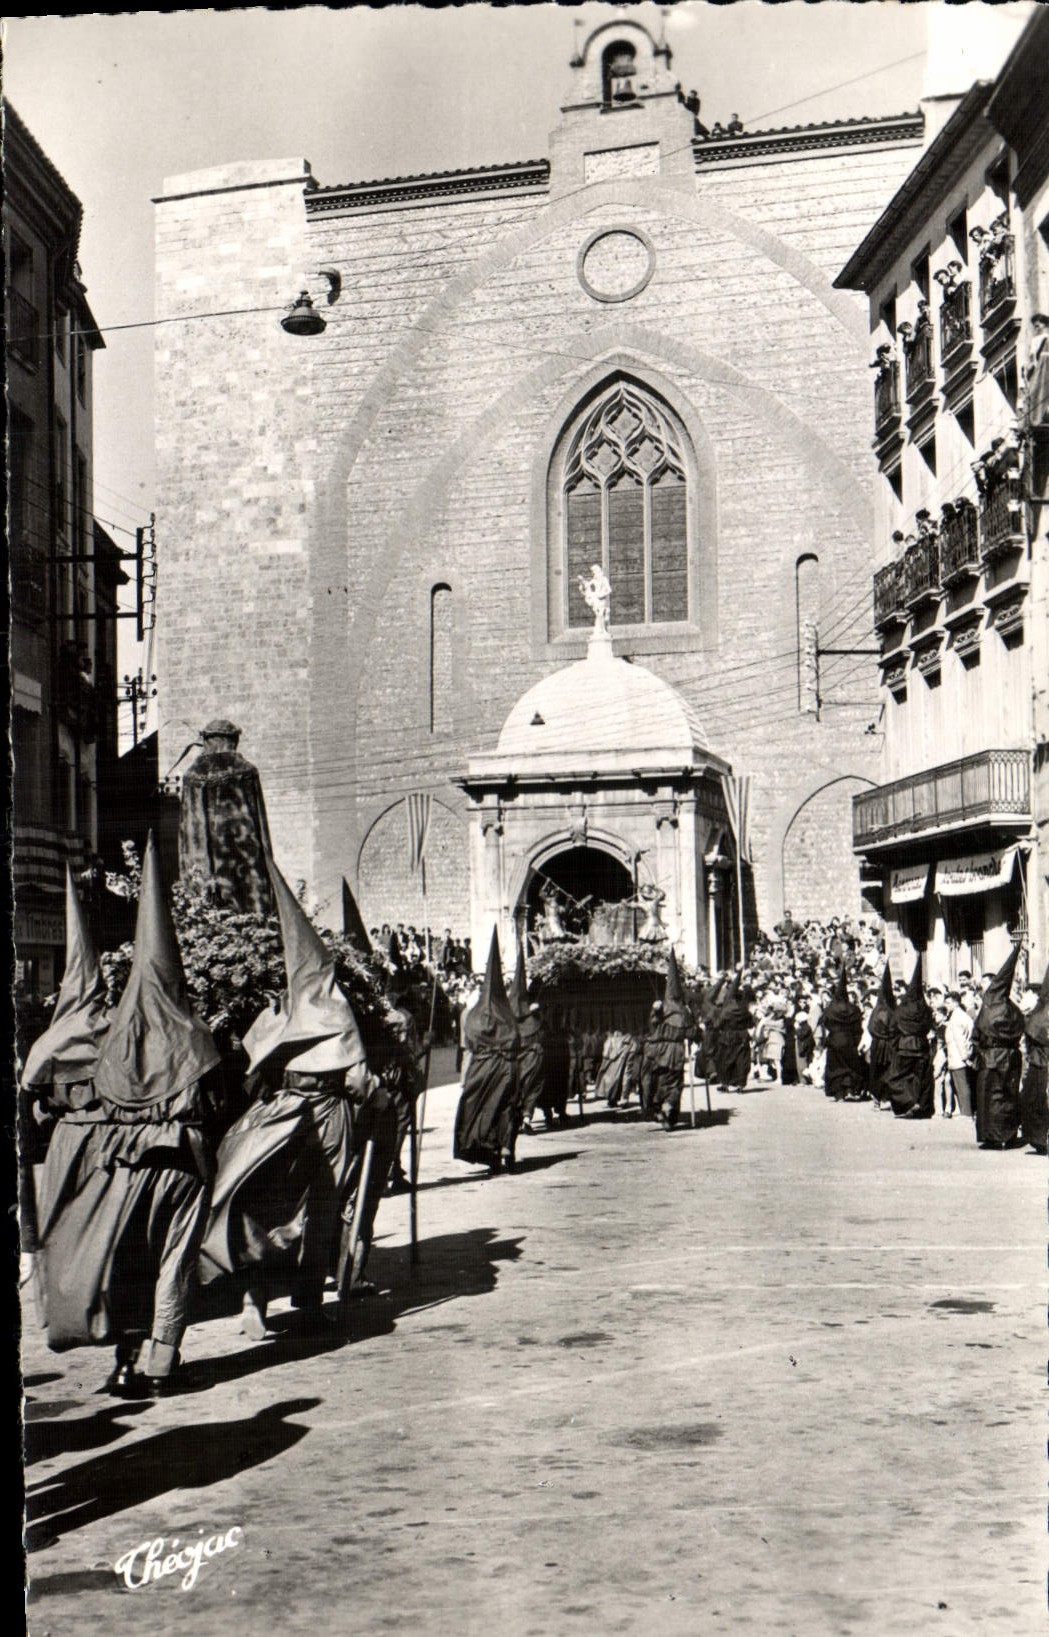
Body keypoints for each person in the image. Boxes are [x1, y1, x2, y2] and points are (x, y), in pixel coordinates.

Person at [35, 836, 221, 1397]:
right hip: (182, 1164)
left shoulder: (112, 1039)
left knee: (130, 1261)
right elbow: (216, 1103)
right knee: (172, 1263)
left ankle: (124, 1363)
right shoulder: (195, 1035)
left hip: (125, 1166)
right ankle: (162, 1365)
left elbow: (97, 1103)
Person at [199, 852, 378, 1336]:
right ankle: (308, 1300)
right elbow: (359, 1083)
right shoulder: (336, 1012)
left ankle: (254, 1303)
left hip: (275, 1122)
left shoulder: (277, 1013)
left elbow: (252, 1073)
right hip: (325, 1123)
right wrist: (373, 1093)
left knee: (268, 1208)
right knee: (319, 1212)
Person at [178, 718, 274, 914]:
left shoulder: (192, 776)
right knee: (250, 921)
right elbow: (260, 827)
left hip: (203, 872)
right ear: (231, 740)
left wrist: (200, 874)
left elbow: (189, 834)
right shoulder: (246, 772)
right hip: (246, 869)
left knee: (207, 922)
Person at [452, 929, 519, 1175]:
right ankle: (506, 1148)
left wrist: (465, 1076)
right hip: (506, 1069)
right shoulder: (508, 1016)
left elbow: (468, 1046)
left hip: (481, 1070)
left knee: (480, 1108)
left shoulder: (473, 1017)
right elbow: (516, 1041)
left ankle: (490, 1151)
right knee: (506, 1108)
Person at [972, 945, 1024, 1149]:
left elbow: (978, 1034)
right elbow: (1022, 1028)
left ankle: (992, 1136)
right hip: (1010, 1058)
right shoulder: (1013, 1009)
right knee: (1008, 1095)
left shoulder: (988, 1009)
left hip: (991, 1058)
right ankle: (1008, 1133)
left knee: (989, 1098)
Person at [639, 952, 689, 1130]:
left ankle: (660, 1108)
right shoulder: (684, 1012)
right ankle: (667, 1108)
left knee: (656, 1081)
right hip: (674, 1052)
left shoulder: (661, 1009)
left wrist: (655, 1011)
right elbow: (692, 1033)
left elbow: (653, 1023)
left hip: (656, 1052)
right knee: (674, 1082)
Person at [883, 959, 934, 1120]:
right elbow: (928, 1026)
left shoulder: (902, 1010)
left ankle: (908, 1102)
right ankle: (920, 1103)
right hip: (921, 1046)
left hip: (905, 1046)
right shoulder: (925, 1009)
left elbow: (893, 1028)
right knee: (921, 1078)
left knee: (896, 1077)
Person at [508, 941, 545, 1138]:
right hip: (529, 1056)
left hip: (522, 1057)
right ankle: (526, 1117)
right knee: (532, 1086)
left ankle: (525, 1117)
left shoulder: (516, 1014)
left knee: (528, 1087)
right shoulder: (531, 1016)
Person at [818, 966, 865, 1101]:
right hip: (849, 1040)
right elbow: (858, 1027)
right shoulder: (853, 1009)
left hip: (834, 1040)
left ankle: (839, 1093)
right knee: (849, 1067)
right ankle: (850, 1089)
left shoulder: (830, 1009)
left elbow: (825, 1023)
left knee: (836, 1067)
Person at [1019, 962, 1049, 1153]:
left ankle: (1039, 1136)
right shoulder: (1039, 1014)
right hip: (1040, 1063)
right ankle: (1039, 1137)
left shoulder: (1038, 1013)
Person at [865, 962, 897, 1108]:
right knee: (888, 1071)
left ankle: (877, 1099)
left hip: (878, 1044)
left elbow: (870, 1027)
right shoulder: (893, 1010)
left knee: (877, 1071)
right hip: (890, 1044)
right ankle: (887, 1098)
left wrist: (879, 1035)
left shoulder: (877, 1011)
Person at [715, 975, 753, 1091]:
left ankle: (725, 1084)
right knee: (741, 1060)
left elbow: (718, 1024)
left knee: (725, 1059)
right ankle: (741, 1084)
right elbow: (751, 1023)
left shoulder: (726, 1009)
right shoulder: (744, 1010)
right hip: (742, 1035)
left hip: (728, 1036)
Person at [944, 988, 975, 1119]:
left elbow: (959, 1040)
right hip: (959, 1055)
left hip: (958, 1056)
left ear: (956, 1003)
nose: (947, 1005)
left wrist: (965, 1057)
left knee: (961, 1085)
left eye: (949, 1003)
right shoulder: (961, 1016)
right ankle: (963, 1110)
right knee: (959, 1084)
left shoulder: (957, 1018)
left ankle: (966, 1111)